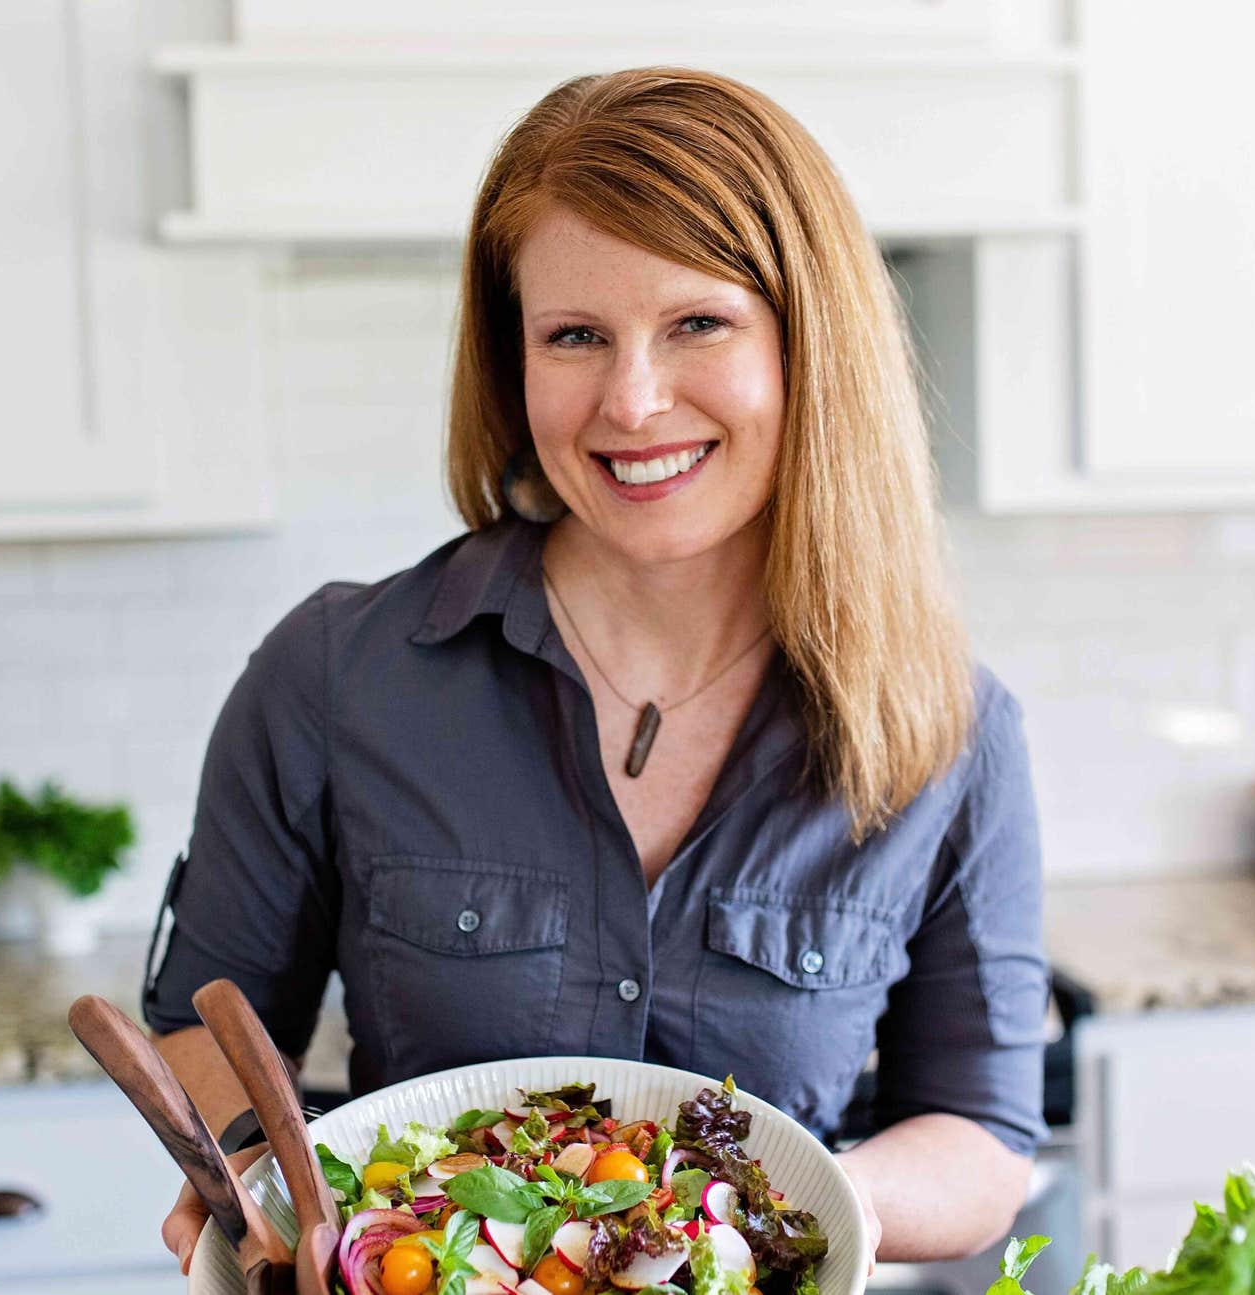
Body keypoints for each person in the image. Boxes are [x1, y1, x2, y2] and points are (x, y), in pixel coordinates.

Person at [147, 65, 1048, 1276]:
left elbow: (982, 1134)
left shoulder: (952, 726)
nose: (632, 400)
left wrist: (794, 1205)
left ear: (809, 344)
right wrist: (271, 1183)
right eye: (575, 335)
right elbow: (198, 1025)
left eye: (698, 324)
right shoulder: (334, 675)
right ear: (512, 364)